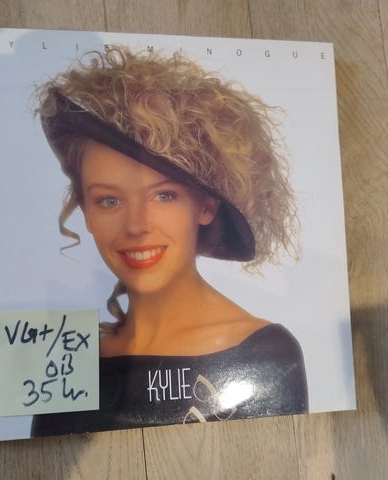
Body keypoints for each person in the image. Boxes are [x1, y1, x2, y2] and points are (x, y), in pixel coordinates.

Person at [31, 46, 308, 436]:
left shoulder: (266, 353)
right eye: (109, 200)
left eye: (164, 195)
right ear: (86, 212)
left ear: (206, 206)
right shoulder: (65, 357)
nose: (137, 226)